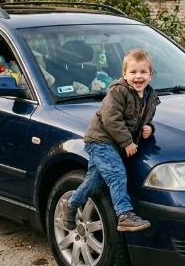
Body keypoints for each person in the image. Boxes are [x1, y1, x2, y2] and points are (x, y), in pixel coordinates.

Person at [61, 49, 160, 232]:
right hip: (101, 140)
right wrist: (127, 142)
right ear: (124, 74)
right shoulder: (118, 91)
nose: (138, 77)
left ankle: (71, 203)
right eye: (133, 72)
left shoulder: (149, 96)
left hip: (114, 144)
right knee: (116, 174)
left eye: (143, 72)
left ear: (151, 75)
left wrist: (150, 127)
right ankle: (124, 214)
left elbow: (140, 119)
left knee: (94, 181)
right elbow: (110, 118)